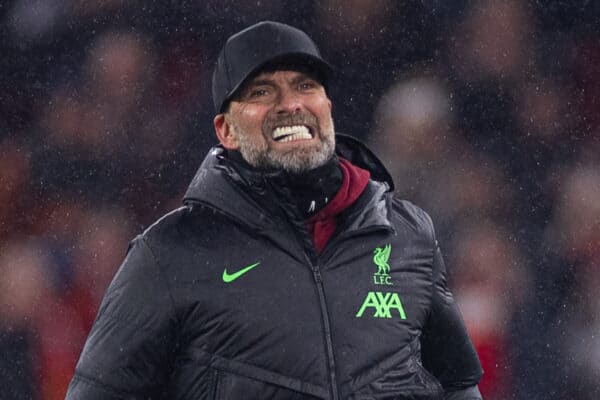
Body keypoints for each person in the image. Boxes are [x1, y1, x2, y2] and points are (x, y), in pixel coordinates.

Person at [66, 21, 484, 400]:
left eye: (306, 86)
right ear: (226, 130)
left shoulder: (408, 233)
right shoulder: (169, 254)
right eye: (262, 91)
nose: (291, 104)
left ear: (327, 108)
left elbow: (459, 388)